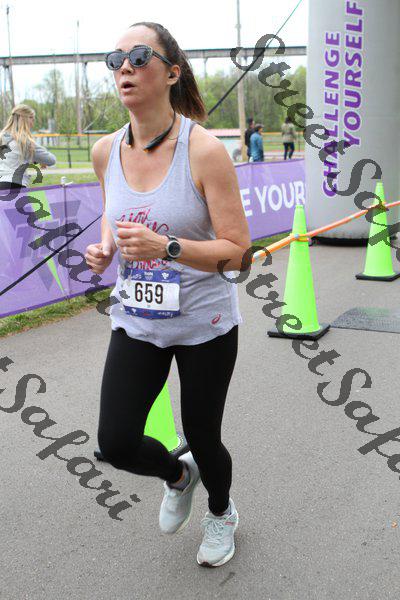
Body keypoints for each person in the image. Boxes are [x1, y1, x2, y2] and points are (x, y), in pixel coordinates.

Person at [84, 22, 251, 568]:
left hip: (204, 324)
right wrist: (106, 247)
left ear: (172, 72)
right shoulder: (105, 151)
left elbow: (239, 253)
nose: (125, 68)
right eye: (116, 60)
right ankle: (178, 476)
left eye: (139, 56)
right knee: (115, 442)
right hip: (138, 320)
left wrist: (167, 247)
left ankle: (221, 511)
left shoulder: (204, 152)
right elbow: (115, 213)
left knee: (204, 434)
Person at [0, 104, 56, 190]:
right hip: (16, 186)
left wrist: (34, 159)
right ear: (24, 119)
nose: (33, 123)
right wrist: (39, 159)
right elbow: (51, 160)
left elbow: (14, 157)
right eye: (32, 118)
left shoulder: (2, 138)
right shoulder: (24, 141)